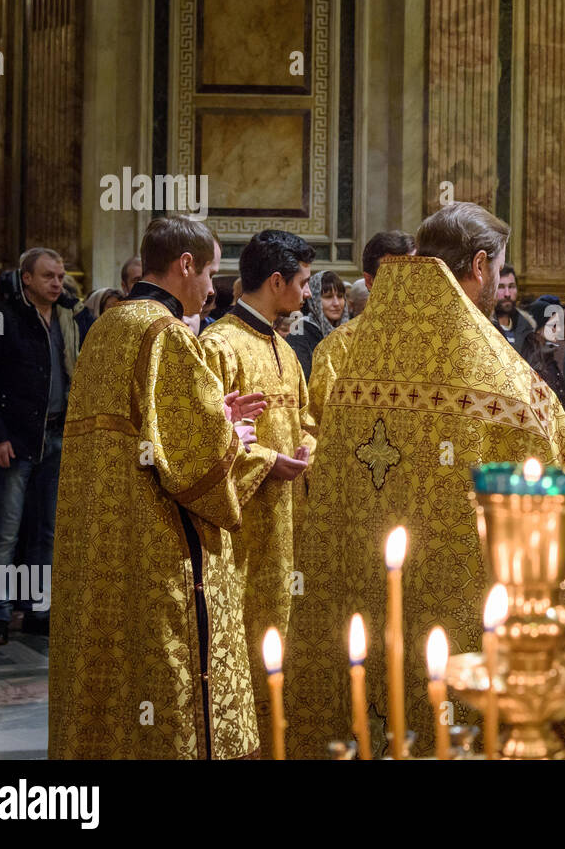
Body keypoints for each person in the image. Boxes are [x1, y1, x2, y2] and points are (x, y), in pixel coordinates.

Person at [284, 203, 565, 759]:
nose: (500, 282)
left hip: (367, 605)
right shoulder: (502, 377)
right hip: (463, 627)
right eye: (499, 271)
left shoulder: (360, 353)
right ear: (479, 265)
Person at [49, 217, 268, 758]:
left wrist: (214, 413)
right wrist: (234, 437)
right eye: (212, 272)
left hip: (106, 537)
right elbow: (195, 461)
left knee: (113, 676)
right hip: (158, 541)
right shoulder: (164, 332)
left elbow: (147, 426)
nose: (213, 289)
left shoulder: (109, 326)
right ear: (185, 264)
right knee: (165, 680)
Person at [200, 230, 316, 756]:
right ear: (276, 282)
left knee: (281, 636)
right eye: (304, 283)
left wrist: (307, 445)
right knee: (245, 635)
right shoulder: (217, 346)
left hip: (286, 522)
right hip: (241, 527)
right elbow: (204, 441)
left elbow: (304, 417)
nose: (309, 294)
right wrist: (269, 461)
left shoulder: (285, 349)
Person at [0, 248, 80, 644]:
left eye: (60, 276)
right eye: (48, 276)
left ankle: (35, 607)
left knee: (46, 532)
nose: (57, 283)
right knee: (5, 532)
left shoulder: (65, 318)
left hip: (54, 436)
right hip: (12, 441)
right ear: (26, 278)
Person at [305, 230, 416, 430]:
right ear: (369, 280)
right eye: (395, 275)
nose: (407, 285)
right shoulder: (338, 346)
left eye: (414, 274)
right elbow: (319, 424)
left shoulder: (439, 342)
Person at [288, 270, 347, 378]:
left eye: (340, 296)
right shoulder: (300, 333)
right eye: (328, 297)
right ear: (314, 300)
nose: (336, 303)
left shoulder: (348, 332)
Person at [491, 265, 536, 354]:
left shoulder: (527, 328)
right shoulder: (484, 327)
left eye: (511, 287)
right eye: (501, 287)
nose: (507, 294)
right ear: (491, 290)